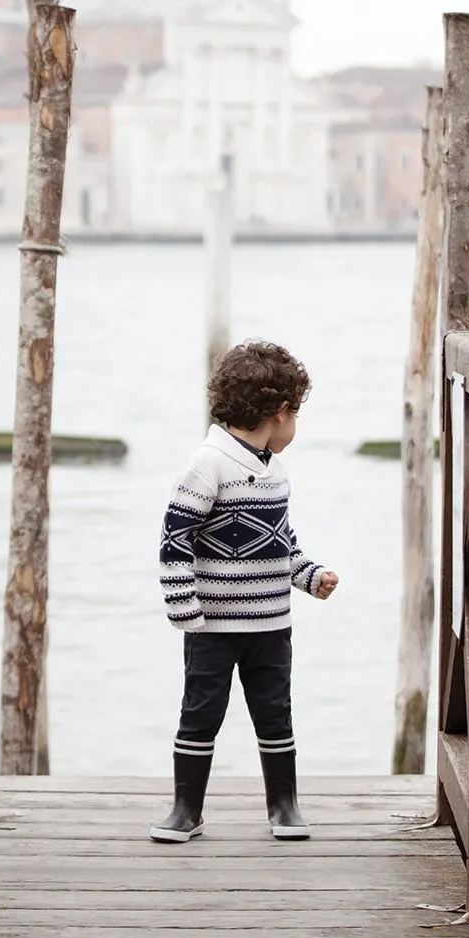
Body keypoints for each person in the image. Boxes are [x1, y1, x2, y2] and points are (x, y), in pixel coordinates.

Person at [152, 339, 338, 844]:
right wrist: (183, 607)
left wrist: (309, 575)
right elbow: (175, 542)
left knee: (275, 713)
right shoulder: (206, 466)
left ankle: (284, 805)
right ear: (280, 413)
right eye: (296, 416)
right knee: (201, 713)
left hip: (271, 626)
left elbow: (282, 547)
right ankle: (186, 809)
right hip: (212, 627)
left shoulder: (275, 475)